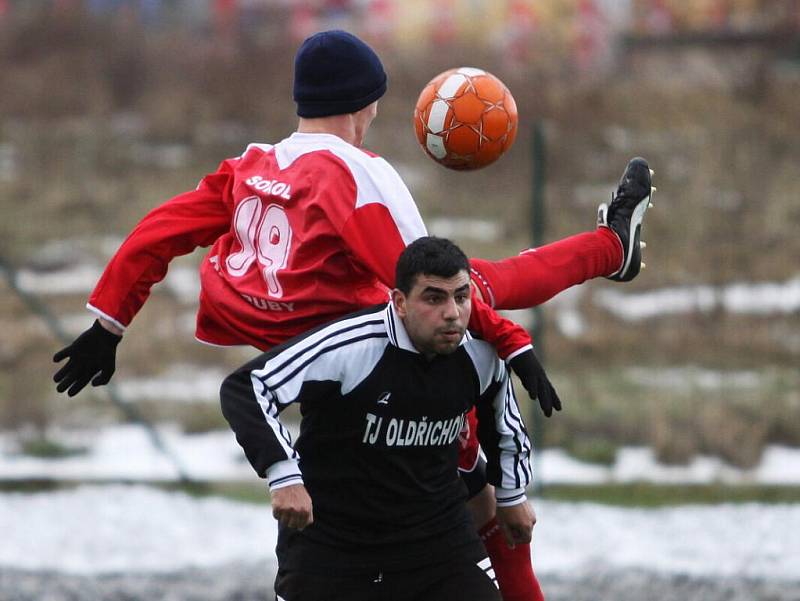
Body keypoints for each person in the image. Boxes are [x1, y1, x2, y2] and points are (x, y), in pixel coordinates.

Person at [52, 29, 654, 601]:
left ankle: (611, 248)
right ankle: (609, 248)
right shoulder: (355, 174)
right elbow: (426, 279)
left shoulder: (253, 165)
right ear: (364, 102)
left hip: (309, 364)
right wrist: (512, 343)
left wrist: (108, 325)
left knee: (476, 468)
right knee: (483, 461)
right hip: (372, 358)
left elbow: (158, 231)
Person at [220, 236, 536, 601]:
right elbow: (247, 386)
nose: (452, 312)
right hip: (333, 546)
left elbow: (504, 423)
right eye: (434, 298)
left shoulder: (479, 354)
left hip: (436, 544)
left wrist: (511, 494)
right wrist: (283, 474)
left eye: (462, 297)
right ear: (400, 302)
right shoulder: (351, 346)